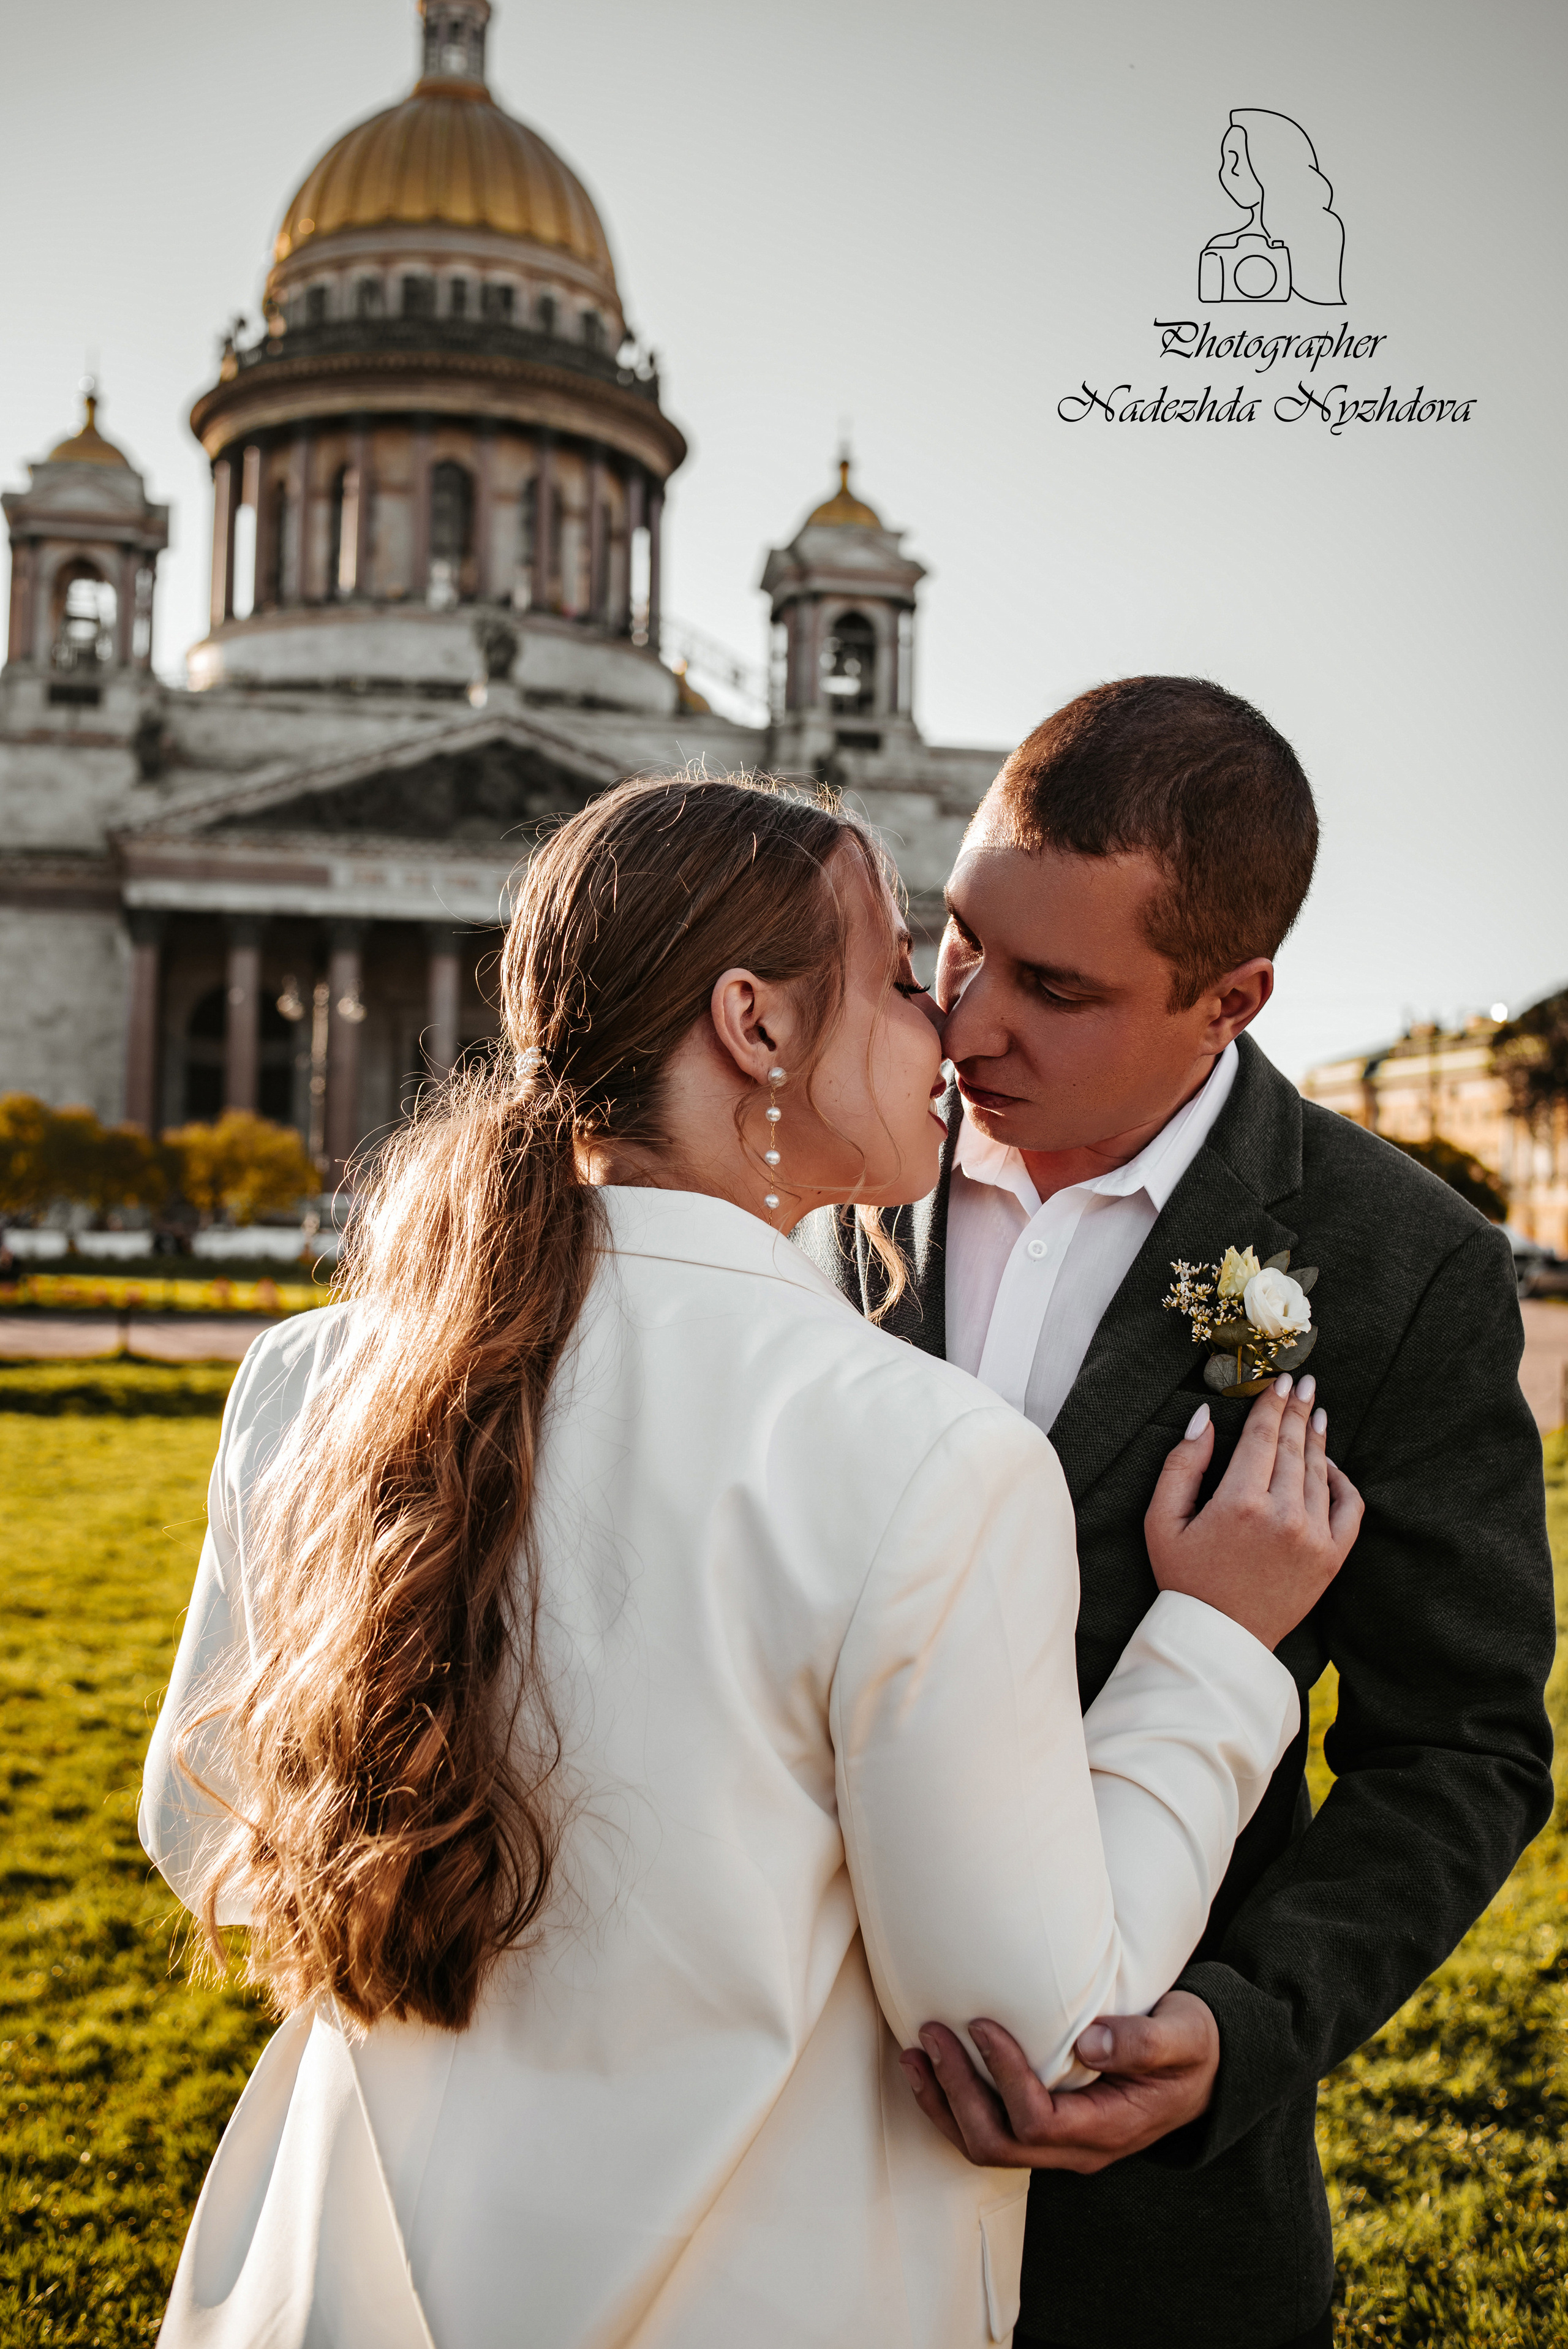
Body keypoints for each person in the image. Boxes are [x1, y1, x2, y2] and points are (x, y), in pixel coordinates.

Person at [141, 773, 1359, 2349]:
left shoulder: (313, 1374)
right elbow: (1041, 2026)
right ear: (753, 1025)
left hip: (336, 2277)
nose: (952, 1033)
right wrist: (1211, 1640)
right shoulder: (916, 1448)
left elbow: (210, 1834)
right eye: (905, 977)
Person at [805, 678, 1557, 2349]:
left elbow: (1465, 1744)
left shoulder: (1398, 1268)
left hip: (1134, 2216)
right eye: (962, 944)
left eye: (1056, 989)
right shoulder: (815, 1152)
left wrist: (1245, 2021)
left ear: (1230, 999)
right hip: (773, 2140)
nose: (970, 1022)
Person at [1199, 110, 1345, 305]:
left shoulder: (1319, 239)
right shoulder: (1221, 247)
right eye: (1226, 158)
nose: (1229, 170)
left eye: (1234, 158)